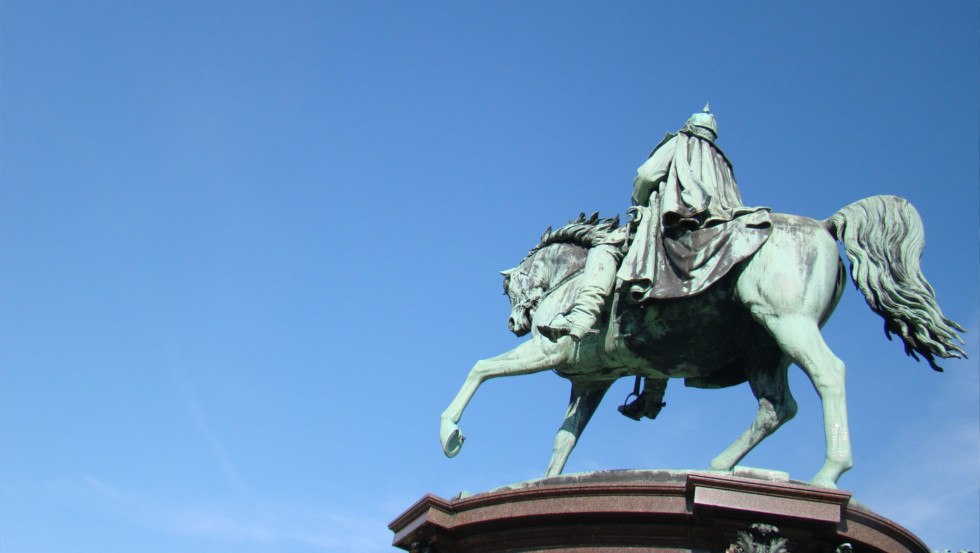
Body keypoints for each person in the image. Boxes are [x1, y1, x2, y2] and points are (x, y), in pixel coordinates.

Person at [539, 104, 772, 341]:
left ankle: (581, 317)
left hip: (672, 219)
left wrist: (639, 200)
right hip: (713, 222)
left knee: (605, 247)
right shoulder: (722, 161)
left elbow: (647, 175)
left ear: (689, 126)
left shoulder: (681, 142)